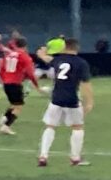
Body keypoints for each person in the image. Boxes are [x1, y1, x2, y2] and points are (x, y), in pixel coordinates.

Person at [39, 40, 93, 168]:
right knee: (77, 127)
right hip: (72, 99)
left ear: (64, 47)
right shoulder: (81, 63)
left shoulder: (58, 60)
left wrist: (42, 53)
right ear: (76, 48)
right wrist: (89, 102)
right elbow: (85, 84)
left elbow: (47, 58)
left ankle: (43, 155)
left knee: (50, 126)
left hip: (56, 98)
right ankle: (75, 158)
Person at [0, 36, 41, 136]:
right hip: (15, 83)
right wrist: (37, 85)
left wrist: (3, 79)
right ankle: (6, 126)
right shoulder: (25, 56)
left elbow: (2, 69)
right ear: (25, 46)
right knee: (18, 106)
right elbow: (30, 73)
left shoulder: (9, 55)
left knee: (13, 104)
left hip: (7, 83)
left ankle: (4, 118)